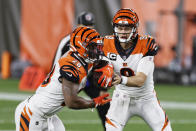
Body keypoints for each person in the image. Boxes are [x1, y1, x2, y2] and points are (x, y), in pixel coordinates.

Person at [14, 27, 112, 131]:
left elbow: (106, 60)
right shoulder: (70, 65)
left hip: (48, 116)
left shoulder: (84, 59)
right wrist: (94, 102)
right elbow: (71, 102)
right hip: (32, 114)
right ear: (81, 46)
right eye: (92, 47)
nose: (96, 50)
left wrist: (110, 70)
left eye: (97, 46)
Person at [100, 8, 172, 131]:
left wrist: (120, 79)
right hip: (121, 98)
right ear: (114, 27)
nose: (123, 32)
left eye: (127, 28)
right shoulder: (105, 43)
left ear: (135, 28)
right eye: (120, 28)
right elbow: (97, 67)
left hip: (146, 99)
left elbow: (140, 80)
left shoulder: (146, 44)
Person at [52, 11, 111, 130]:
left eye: (90, 25)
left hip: (88, 79)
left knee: (105, 105)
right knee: (54, 104)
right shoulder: (67, 41)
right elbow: (56, 63)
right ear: (78, 25)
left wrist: (103, 87)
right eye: (85, 25)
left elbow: (102, 63)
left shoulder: (95, 41)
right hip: (68, 78)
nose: (88, 28)